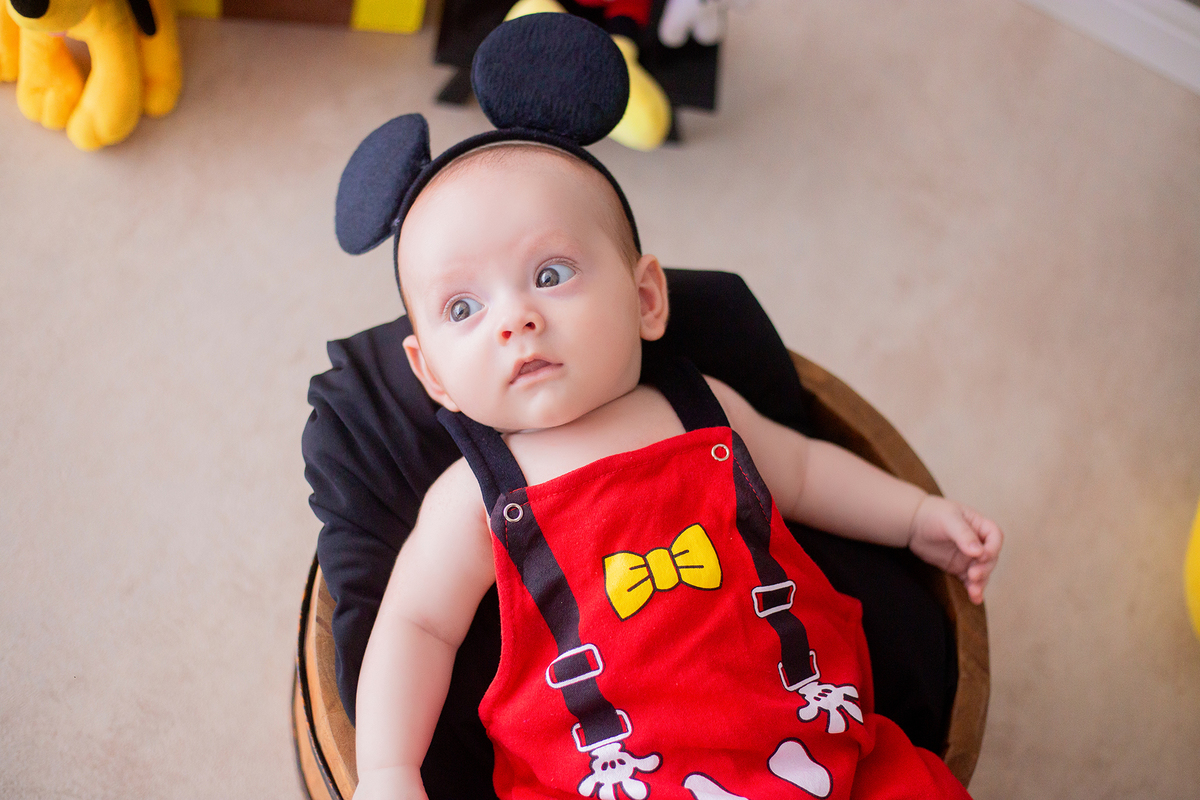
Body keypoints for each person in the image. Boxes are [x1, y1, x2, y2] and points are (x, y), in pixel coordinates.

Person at [350, 140, 1003, 800]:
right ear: (431, 372)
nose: (516, 320)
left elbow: (803, 471)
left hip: (821, 741)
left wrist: (914, 515)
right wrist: (388, 771)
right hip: (616, 778)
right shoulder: (473, 495)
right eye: (463, 308)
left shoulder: (699, 410)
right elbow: (416, 625)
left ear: (646, 299)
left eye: (550, 275)